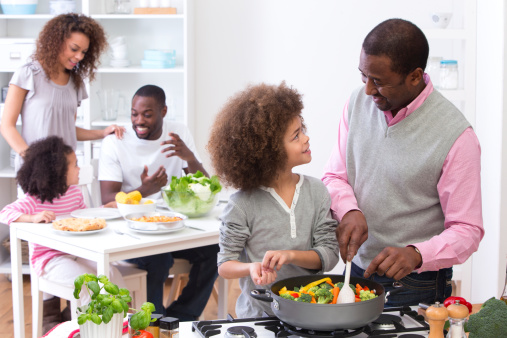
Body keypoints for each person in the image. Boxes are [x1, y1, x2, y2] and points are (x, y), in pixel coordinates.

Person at [322, 18, 484, 307]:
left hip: (415, 283)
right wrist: (348, 209)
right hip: (355, 270)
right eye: (364, 76)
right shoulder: (357, 103)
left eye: (379, 82)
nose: (368, 90)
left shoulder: (457, 135)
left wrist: (417, 253)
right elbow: (334, 176)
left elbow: (467, 229)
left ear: (415, 76)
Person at [207, 82, 340, 318]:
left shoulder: (317, 191)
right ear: (270, 151)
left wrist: (290, 255)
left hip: (310, 313)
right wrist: (251, 268)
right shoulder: (242, 204)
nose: (306, 138)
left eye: (303, 130)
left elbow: (329, 256)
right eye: (296, 136)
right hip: (259, 316)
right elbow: (225, 265)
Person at [99, 84, 218, 320]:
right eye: (134, 113)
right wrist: (145, 190)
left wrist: (189, 157)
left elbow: (206, 186)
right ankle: (154, 324)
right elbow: (107, 200)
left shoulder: (177, 133)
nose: (138, 121)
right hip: (129, 232)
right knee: (159, 259)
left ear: (163, 112)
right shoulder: (116, 142)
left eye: (147, 114)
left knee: (214, 251)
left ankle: (180, 318)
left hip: (170, 226)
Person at [0, 136, 125, 333]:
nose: (79, 169)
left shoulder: (74, 193)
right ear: (57, 171)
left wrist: (104, 209)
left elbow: (83, 217)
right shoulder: (35, 199)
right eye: (75, 165)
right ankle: (88, 332)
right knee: (88, 284)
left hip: (76, 254)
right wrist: (32, 217)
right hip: (49, 260)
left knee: (112, 275)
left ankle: (116, 330)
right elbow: (5, 213)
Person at [0, 13, 124, 176]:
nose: (79, 56)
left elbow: (68, 129)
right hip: (34, 173)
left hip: (66, 173)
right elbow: (6, 126)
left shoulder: (75, 82)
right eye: (74, 49)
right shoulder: (28, 74)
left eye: (84, 52)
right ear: (56, 42)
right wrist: (31, 159)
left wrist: (102, 133)